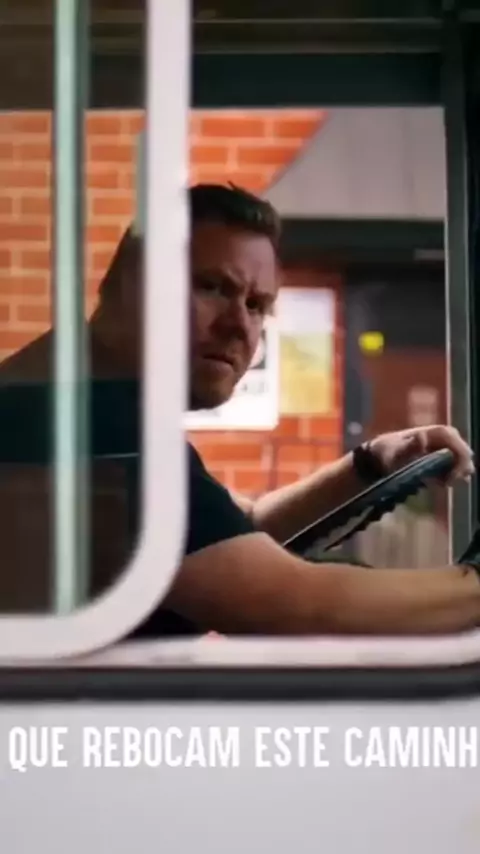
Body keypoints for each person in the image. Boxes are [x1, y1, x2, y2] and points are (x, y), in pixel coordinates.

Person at [0, 183, 479, 636]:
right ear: (133, 284)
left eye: (256, 305)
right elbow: (290, 604)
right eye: (212, 287)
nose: (239, 326)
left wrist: (368, 465)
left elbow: (233, 530)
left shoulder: (68, 391)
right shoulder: (90, 426)